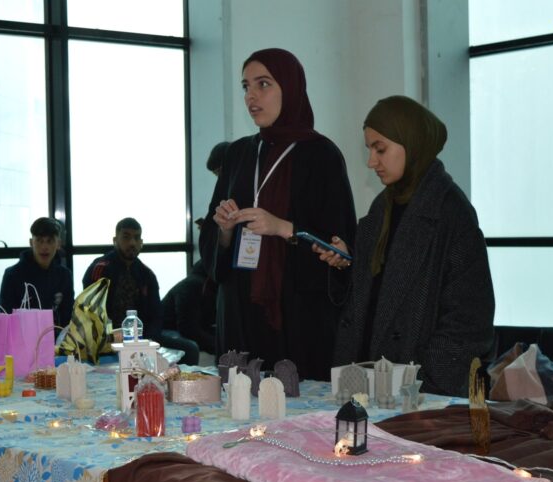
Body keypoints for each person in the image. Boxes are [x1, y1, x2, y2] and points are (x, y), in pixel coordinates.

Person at [320, 95, 495, 397]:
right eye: (369, 149)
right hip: (367, 385)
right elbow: (375, 298)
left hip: (418, 393)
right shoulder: (382, 208)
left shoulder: (451, 212)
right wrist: (348, 265)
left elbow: (469, 320)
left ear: (412, 144)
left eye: (380, 149)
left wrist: (425, 381)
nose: (371, 162)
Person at [198, 48, 356, 381]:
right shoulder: (238, 153)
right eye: (246, 86)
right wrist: (224, 230)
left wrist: (282, 227)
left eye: (263, 84)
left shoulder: (322, 155)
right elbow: (213, 246)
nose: (251, 96)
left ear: (290, 88)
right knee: (239, 404)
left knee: (296, 406)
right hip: (239, 312)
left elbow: (341, 245)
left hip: (297, 316)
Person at [81, 217, 163, 339]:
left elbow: (156, 316)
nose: (132, 243)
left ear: (141, 242)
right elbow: (91, 313)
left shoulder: (147, 275)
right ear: (115, 240)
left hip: (140, 339)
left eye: (136, 238)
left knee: (187, 347)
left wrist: (149, 341)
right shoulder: (100, 269)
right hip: (105, 339)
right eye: (126, 237)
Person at [0, 217, 75, 327]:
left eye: (50, 241)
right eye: (39, 240)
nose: (44, 247)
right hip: (22, 336)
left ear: (58, 243)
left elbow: (68, 316)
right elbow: (6, 317)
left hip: (57, 336)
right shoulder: (12, 275)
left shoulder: (64, 275)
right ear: (31, 243)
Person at [161, 259, 218, 365]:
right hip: (166, 329)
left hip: (174, 328)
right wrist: (216, 345)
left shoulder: (201, 285)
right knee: (190, 347)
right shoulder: (193, 286)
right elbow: (188, 328)